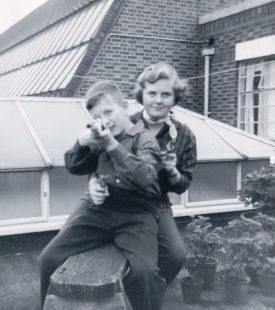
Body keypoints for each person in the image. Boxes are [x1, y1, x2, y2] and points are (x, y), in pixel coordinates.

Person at [39, 81, 165, 310]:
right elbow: (74, 166)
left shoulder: (144, 137)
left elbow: (145, 176)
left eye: (109, 111)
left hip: (138, 215)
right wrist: (81, 143)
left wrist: (111, 144)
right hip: (102, 210)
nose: (104, 120)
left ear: (124, 107)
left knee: (145, 274)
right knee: (48, 258)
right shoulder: (100, 137)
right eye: (97, 115)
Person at [91, 63, 197, 287]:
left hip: (155, 204)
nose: (158, 100)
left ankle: (147, 294)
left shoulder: (184, 134)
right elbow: (100, 160)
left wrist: (173, 171)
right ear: (142, 95)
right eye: (152, 93)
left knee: (176, 255)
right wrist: (93, 182)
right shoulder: (124, 122)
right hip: (116, 199)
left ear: (174, 97)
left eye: (166, 94)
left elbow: (182, 185)